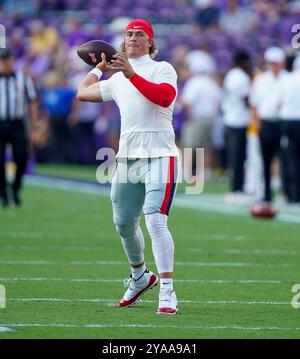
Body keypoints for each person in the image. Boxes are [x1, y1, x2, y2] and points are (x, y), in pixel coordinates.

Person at [77, 19, 179, 314]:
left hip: (161, 155)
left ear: (150, 41)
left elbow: (164, 96)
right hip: (127, 158)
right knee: (123, 224)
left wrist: (130, 73)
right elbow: (82, 92)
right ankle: (140, 276)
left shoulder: (162, 68)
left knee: (155, 221)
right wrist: (100, 67)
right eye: (129, 34)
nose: (133, 38)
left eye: (140, 34)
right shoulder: (118, 79)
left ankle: (168, 291)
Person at [0, 48, 38, 208]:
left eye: (6, 60)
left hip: (17, 124)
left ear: (12, 61)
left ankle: (15, 188)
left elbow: (32, 102)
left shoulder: (23, 78)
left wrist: (34, 126)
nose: (4, 64)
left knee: (21, 157)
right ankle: (3, 192)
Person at [250, 46, 288, 204]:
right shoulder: (261, 80)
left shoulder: (289, 78)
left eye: (276, 63)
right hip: (266, 123)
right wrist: (257, 124)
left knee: (286, 159)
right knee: (265, 160)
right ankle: (266, 193)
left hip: (283, 122)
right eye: (271, 63)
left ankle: (288, 192)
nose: (273, 66)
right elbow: (254, 104)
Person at [222, 50, 253, 198]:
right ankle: (237, 188)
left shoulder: (230, 75)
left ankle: (236, 187)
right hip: (239, 120)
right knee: (239, 157)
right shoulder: (241, 77)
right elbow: (246, 99)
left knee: (235, 156)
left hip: (229, 118)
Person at [279, 56, 300, 204]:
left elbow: (278, 102)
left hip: (288, 121)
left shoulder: (287, 80)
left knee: (290, 158)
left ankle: (290, 193)